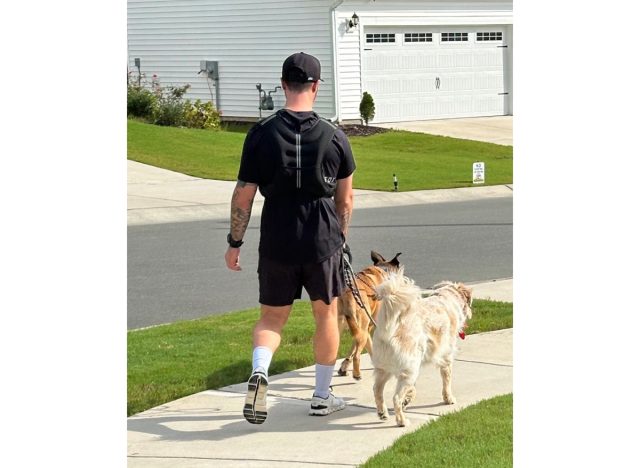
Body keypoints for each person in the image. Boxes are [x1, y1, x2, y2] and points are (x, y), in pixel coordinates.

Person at [224, 52, 356, 425]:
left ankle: (261, 371)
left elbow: (244, 195)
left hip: (277, 235)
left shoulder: (260, 134)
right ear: (315, 86)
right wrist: (340, 239)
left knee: (271, 318)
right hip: (321, 238)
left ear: (283, 85)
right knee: (325, 314)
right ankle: (320, 395)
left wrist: (235, 243)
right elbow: (344, 199)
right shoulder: (335, 137)